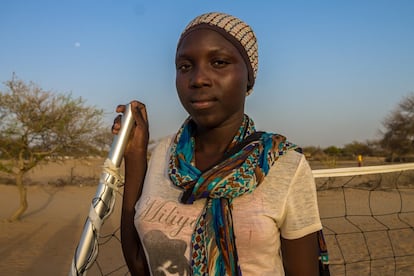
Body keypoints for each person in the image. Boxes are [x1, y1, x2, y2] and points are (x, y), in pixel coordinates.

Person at [113, 12, 325, 276]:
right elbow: (138, 262)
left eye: (219, 62)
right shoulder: (163, 155)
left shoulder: (284, 164)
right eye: (185, 66)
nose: (198, 79)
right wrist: (134, 158)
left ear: (249, 76)